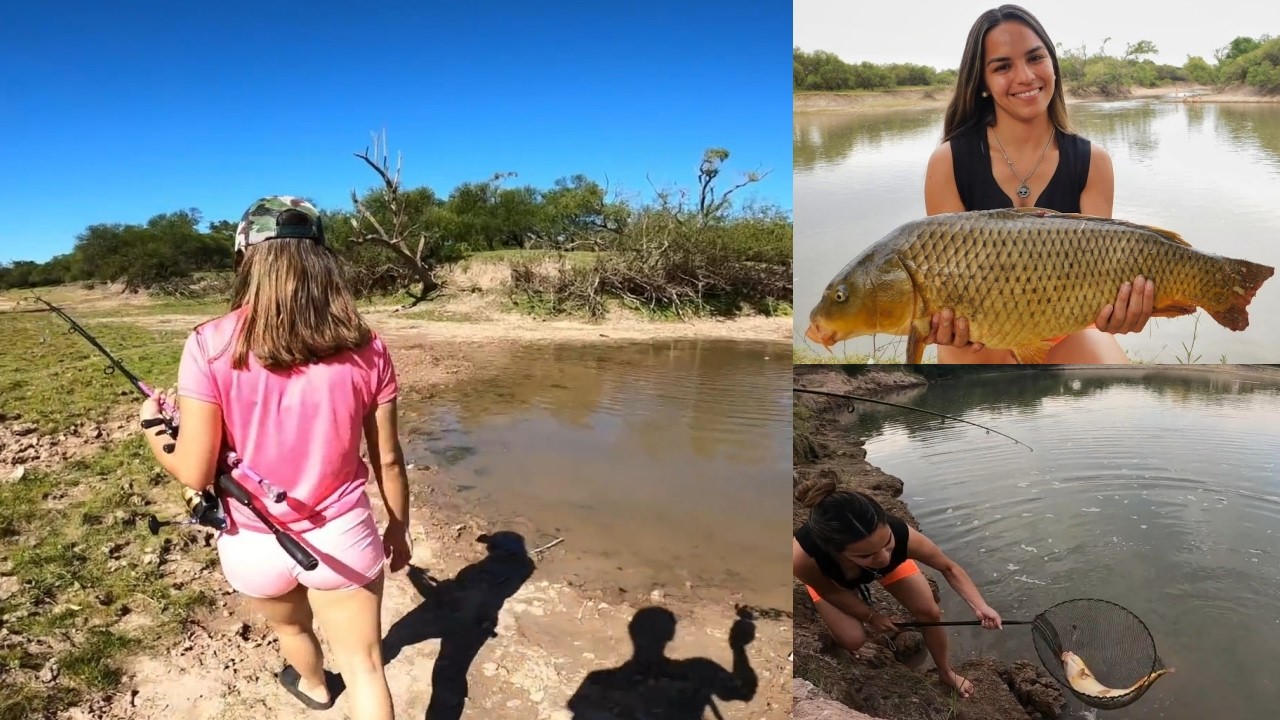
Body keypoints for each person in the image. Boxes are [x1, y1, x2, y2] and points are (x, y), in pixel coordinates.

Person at [139, 195, 413, 720]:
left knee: (292, 627)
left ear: (245, 258)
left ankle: (312, 688)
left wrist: (153, 425)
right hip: (344, 538)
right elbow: (390, 461)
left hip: (253, 543)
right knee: (366, 669)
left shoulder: (208, 344)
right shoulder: (367, 346)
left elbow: (194, 471)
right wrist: (398, 530)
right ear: (322, 259)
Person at [922, 3, 1155, 364]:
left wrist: (1120, 312)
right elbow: (944, 288)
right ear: (982, 82)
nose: (1026, 76)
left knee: (1115, 385)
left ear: (1053, 65)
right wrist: (944, 325)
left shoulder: (1094, 162)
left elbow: (1102, 276)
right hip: (979, 334)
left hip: (1067, 328)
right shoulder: (948, 161)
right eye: (1002, 66)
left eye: (1035, 58)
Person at [792, 478, 1001, 699]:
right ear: (834, 551)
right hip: (832, 583)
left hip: (886, 570)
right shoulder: (803, 559)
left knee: (930, 613)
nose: (883, 557)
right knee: (853, 640)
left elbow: (949, 568)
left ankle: (946, 672)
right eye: (866, 554)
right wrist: (871, 616)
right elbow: (831, 592)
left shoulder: (901, 536)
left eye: (886, 542)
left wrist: (980, 605)